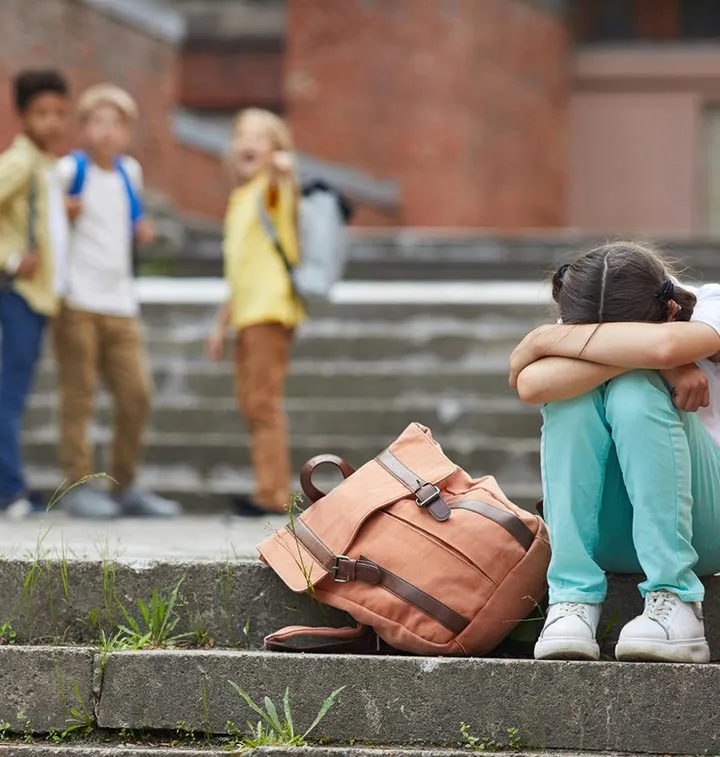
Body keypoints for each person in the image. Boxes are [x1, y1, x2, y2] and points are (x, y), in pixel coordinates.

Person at [509, 241, 720, 664]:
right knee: (570, 397)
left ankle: (676, 599)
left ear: (671, 313)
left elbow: (661, 349)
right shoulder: (591, 302)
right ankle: (572, 601)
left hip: (704, 528)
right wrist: (662, 361)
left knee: (633, 389)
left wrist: (548, 341)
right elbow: (532, 385)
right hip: (607, 536)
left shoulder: (709, 304)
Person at [53, 84, 179, 519]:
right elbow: (50, 226)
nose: (107, 132)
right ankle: (78, 485)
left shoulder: (131, 171)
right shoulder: (70, 170)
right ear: (83, 127)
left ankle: (125, 485)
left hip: (122, 303)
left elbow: (129, 217)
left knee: (136, 395)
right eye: (98, 122)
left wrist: (141, 228)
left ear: (128, 132)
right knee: (79, 395)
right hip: (77, 302)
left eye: (117, 124)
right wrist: (61, 215)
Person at [207, 108, 303, 517]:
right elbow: (238, 269)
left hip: (270, 310)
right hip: (245, 314)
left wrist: (283, 168)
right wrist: (220, 325)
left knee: (263, 402)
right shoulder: (239, 198)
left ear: (275, 149)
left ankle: (272, 493)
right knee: (250, 403)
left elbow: (285, 184)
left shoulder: (270, 190)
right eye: (241, 134)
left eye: (260, 137)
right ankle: (268, 486)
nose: (247, 142)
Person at [0, 70, 70, 517]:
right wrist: (8, 258)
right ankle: (9, 490)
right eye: (41, 113)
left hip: (42, 297)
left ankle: (11, 485)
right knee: (9, 394)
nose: (52, 122)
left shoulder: (46, 164)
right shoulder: (21, 161)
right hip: (19, 293)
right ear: (22, 114)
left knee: (16, 391)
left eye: (59, 113)